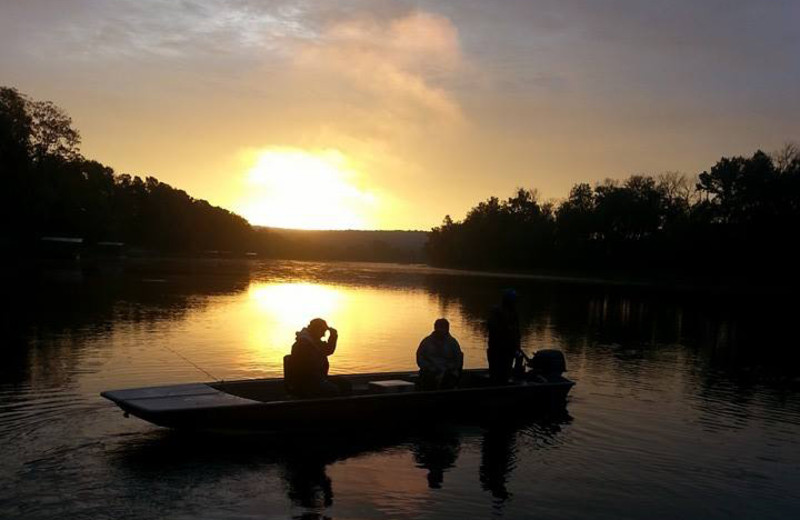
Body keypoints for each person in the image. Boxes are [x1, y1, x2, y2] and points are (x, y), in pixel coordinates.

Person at [285, 318, 343, 397]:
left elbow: (328, 350)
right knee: (333, 390)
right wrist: (322, 381)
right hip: (305, 383)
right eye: (323, 331)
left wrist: (333, 335)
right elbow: (306, 371)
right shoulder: (303, 345)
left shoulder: (314, 342)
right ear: (317, 330)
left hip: (317, 379)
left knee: (344, 384)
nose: (324, 335)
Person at [416, 318, 464, 390]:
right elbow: (420, 357)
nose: (441, 330)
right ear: (435, 328)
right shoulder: (426, 342)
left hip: (448, 372)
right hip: (430, 371)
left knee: (448, 379)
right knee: (427, 379)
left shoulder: (453, 343)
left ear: (447, 329)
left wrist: (449, 368)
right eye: (439, 327)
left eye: (443, 327)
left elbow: (458, 360)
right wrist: (429, 367)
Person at [486, 289, 521, 384]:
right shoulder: (495, 312)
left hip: (509, 350)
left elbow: (517, 332)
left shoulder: (514, 314)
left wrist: (517, 346)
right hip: (496, 349)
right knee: (495, 374)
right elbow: (492, 328)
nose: (515, 303)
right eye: (513, 301)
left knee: (505, 374)